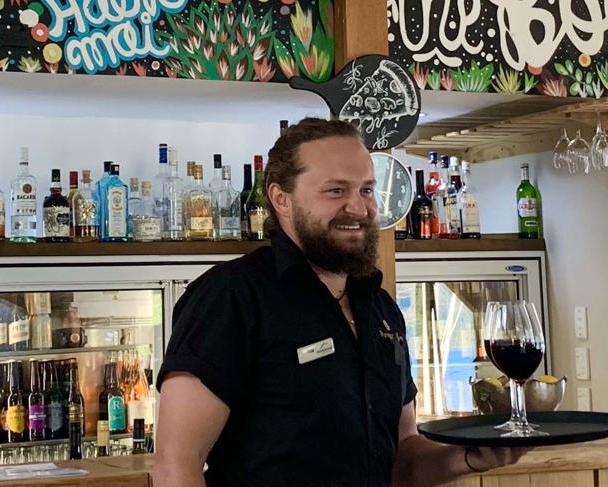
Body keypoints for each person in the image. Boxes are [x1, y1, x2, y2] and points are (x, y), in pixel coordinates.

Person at [152, 117, 525, 487]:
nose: (359, 209)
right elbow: (175, 468)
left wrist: (468, 456)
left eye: (366, 190)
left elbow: (403, 458)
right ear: (281, 198)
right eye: (336, 191)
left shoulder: (381, 310)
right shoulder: (231, 296)